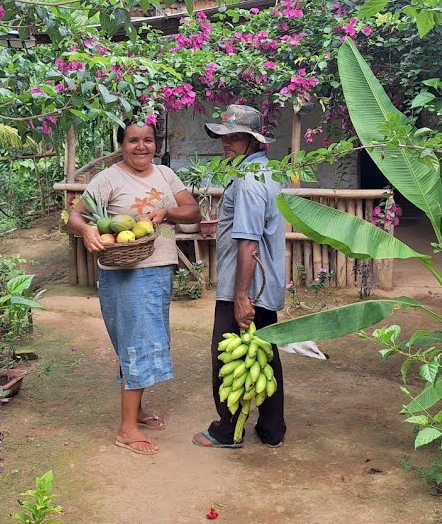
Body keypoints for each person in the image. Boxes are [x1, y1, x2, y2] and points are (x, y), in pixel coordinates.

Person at [69, 118, 200, 455]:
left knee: (139, 340)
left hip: (158, 270)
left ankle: (135, 412)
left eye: (148, 140)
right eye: (133, 140)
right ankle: (127, 429)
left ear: (156, 144)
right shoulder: (109, 177)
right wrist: (87, 232)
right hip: (125, 272)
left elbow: (193, 210)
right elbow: (76, 215)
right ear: (122, 145)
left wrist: (166, 213)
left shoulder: (166, 175)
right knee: (137, 343)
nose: (141, 146)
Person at [192, 104, 287, 449]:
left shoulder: (248, 182)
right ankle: (272, 429)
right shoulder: (266, 172)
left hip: (244, 284)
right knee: (265, 354)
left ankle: (227, 430)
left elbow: (248, 243)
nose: (226, 142)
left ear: (253, 141)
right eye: (224, 136)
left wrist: (241, 297)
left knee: (227, 355)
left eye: (235, 137)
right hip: (265, 282)